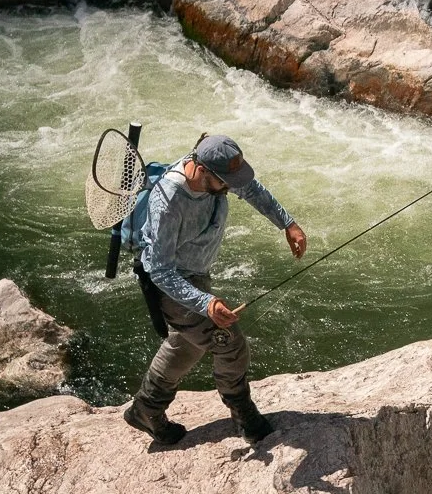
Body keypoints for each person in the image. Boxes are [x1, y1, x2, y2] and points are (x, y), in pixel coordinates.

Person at [122, 135, 306, 445]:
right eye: (226, 181)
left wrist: (287, 224)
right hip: (173, 284)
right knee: (227, 342)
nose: (232, 187)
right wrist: (205, 304)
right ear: (202, 170)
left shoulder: (215, 176)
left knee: (188, 344)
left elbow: (251, 189)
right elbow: (159, 269)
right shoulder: (168, 203)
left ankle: (146, 408)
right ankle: (243, 412)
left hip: (197, 272)